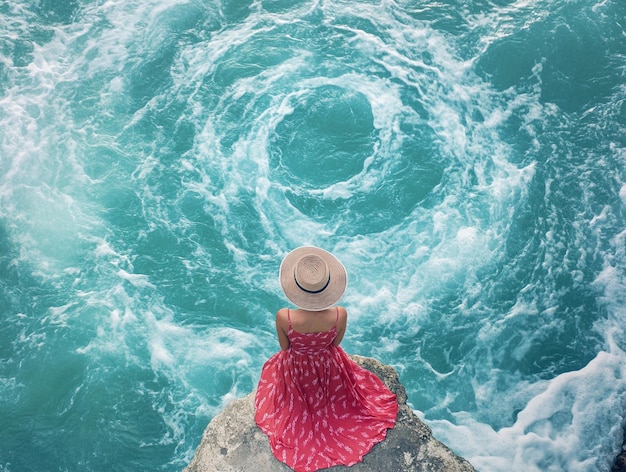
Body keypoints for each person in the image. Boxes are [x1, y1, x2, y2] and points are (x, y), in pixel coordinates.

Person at [254, 246, 398, 472]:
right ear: (328, 287)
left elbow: (285, 347)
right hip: (329, 367)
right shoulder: (340, 313)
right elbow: (335, 344)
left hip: (297, 370)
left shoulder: (285, 316)